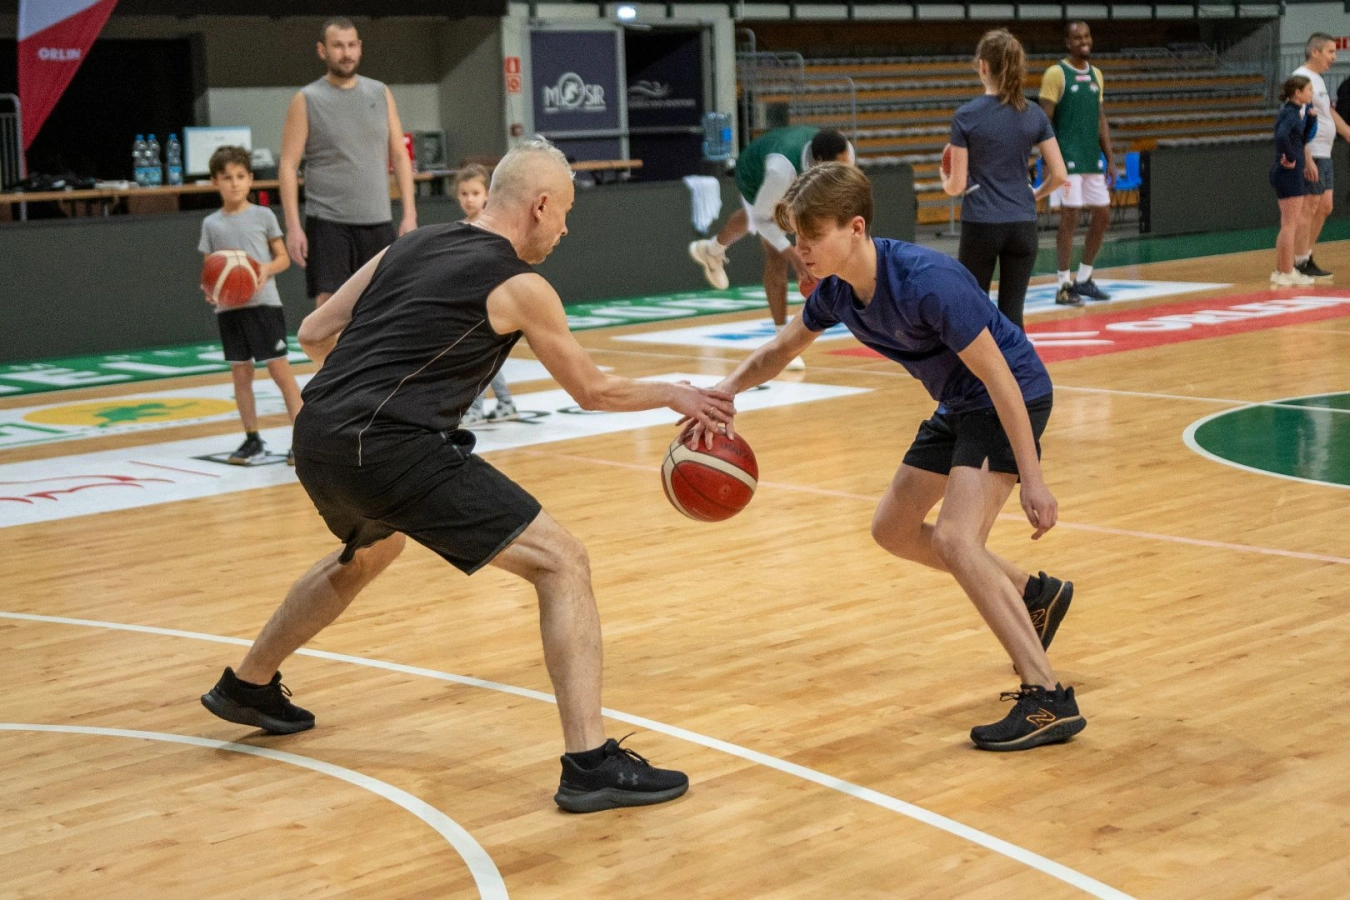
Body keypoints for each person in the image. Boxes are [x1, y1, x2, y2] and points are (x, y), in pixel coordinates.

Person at [200, 138, 735, 812]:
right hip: (387, 445)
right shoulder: (520, 285)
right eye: (565, 213)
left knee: (372, 549)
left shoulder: (411, 244)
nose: (565, 229)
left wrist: (365, 389)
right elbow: (593, 391)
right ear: (539, 206)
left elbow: (312, 332)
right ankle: (590, 763)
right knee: (562, 562)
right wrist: (678, 392)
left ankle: (247, 684)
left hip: (318, 434)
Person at [690, 163, 1084, 751]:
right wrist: (722, 393)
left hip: (1010, 398)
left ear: (855, 228)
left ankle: (1047, 698)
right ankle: (1034, 595)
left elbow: (1001, 378)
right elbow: (780, 350)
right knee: (892, 529)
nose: (800, 250)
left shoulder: (928, 280)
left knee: (956, 540)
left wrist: (1034, 478)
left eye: (811, 237)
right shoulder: (836, 292)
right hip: (960, 402)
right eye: (796, 238)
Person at [687, 126, 855, 369]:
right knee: (775, 249)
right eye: (841, 167)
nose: (847, 170)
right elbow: (761, 218)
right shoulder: (781, 172)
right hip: (754, 172)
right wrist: (793, 255)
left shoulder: (843, 153)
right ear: (820, 162)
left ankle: (712, 250)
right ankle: (782, 343)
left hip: (793, 173)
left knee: (760, 218)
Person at [280, 17, 418, 308]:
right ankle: (328, 344)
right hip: (328, 221)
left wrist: (409, 214)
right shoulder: (306, 99)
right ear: (322, 50)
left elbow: (399, 155)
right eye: (338, 46)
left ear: (360, 47)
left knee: (383, 301)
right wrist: (293, 227)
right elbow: (288, 167)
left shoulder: (380, 92)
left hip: (378, 218)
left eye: (352, 45)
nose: (346, 53)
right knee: (331, 304)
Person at [942, 29, 1068, 330]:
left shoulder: (966, 116)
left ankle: (979, 365)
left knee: (972, 313)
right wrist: (1035, 194)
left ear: (983, 65)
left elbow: (957, 186)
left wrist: (944, 179)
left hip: (982, 224)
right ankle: (1018, 363)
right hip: (1023, 225)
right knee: (1013, 316)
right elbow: (1060, 174)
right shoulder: (1034, 113)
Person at [198, 145, 304, 466]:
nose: (234, 183)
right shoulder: (211, 224)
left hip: (263, 305)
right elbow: (210, 269)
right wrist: (210, 289)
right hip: (229, 309)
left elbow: (283, 258)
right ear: (215, 181)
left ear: (250, 179)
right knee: (241, 374)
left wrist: (263, 269)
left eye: (240, 176)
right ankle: (252, 439)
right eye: (227, 177)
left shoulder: (263, 215)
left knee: (279, 371)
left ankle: (302, 439)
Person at [1039, 21, 1115, 306]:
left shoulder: (1097, 74)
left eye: (1086, 36)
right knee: (1070, 217)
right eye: (1077, 37)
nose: (1083, 41)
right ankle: (1063, 284)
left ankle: (1084, 279)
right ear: (1068, 43)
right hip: (1066, 159)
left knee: (1103, 214)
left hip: (1090, 158)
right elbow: (1043, 121)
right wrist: (1048, 160)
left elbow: (1100, 118)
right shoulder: (1056, 74)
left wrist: (1110, 158)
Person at [454, 164, 518, 425]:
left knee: (478, 357)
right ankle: (505, 402)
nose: (469, 199)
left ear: (487, 195)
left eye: (475, 193)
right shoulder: (459, 228)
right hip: (466, 300)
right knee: (483, 357)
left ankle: (476, 408)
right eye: (464, 194)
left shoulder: (492, 227)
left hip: (488, 300)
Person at [1291, 33, 1350, 280]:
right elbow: (1295, 121)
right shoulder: (1300, 78)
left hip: (1324, 151)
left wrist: (1347, 132)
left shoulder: (1318, 80)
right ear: (1314, 52)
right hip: (1312, 152)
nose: (1334, 57)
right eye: (1330, 52)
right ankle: (1298, 262)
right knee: (1310, 206)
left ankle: (1305, 256)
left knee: (1325, 206)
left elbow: (1328, 113)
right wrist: (1306, 158)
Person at [1271, 76, 1320, 287]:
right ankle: (1286, 271)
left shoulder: (1294, 112)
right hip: (1288, 174)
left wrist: (1312, 120)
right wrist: (1290, 158)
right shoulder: (1290, 113)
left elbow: (1300, 139)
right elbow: (1282, 136)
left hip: (1289, 174)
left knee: (1288, 224)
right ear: (1298, 93)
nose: (1312, 93)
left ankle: (1282, 270)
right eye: (1309, 90)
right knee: (1290, 225)